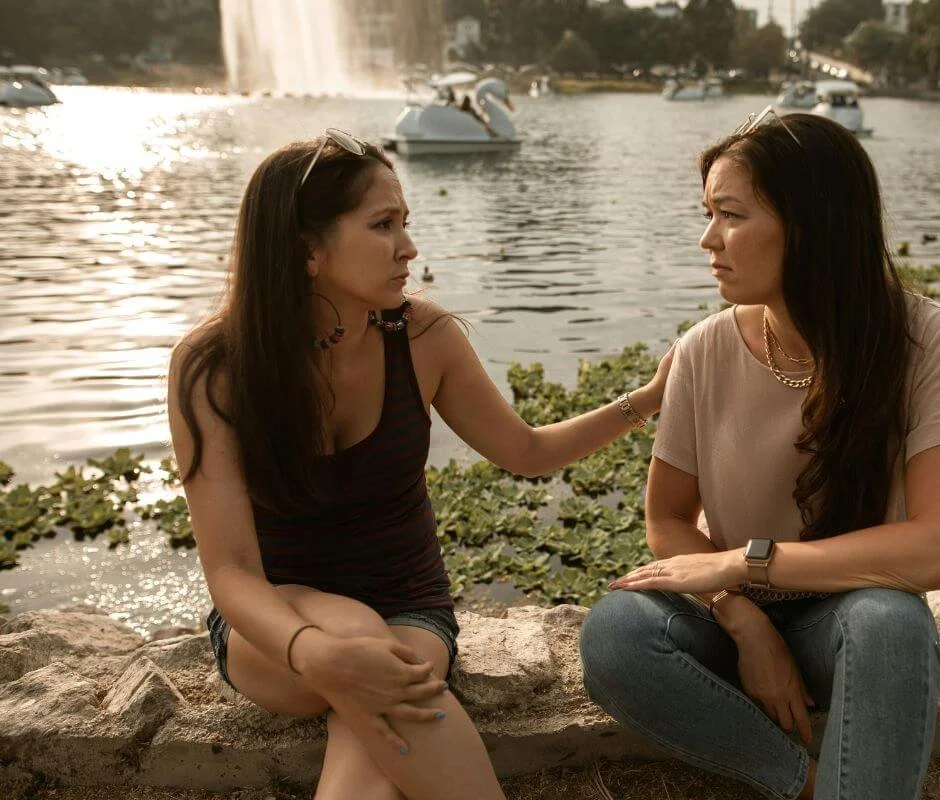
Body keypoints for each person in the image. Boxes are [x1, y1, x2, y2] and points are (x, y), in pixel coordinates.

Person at [168, 128, 673, 800]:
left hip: (410, 611)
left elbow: (526, 452)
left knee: (374, 707)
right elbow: (230, 569)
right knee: (357, 639)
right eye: (384, 226)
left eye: (406, 223)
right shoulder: (214, 367)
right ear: (305, 248)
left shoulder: (425, 338)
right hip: (271, 629)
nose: (409, 248)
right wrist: (313, 650)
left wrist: (646, 400)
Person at [578, 109, 940, 800]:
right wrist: (743, 613)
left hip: (849, 621)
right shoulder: (703, 348)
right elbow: (668, 520)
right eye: (707, 214)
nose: (708, 240)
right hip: (728, 622)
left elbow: (939, 549)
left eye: (730, 215)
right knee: (617, 633)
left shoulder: (930, 340)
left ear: (813, 223)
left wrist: (748, 558)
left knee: (891, 622)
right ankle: (805, 782)